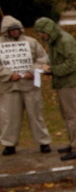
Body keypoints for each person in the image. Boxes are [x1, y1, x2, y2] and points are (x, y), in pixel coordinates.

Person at [34, 17, 76, 160]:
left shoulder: (65, 41)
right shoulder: (54, 42)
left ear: (48, 30)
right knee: (66, 115)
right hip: (62, 83)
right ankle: (73, 143)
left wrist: (52, 69)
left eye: (42, 33)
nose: (41, 36)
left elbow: (72, 64)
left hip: (69, 83)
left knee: (72, 116)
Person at [0, 15, 52, 155]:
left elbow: (43, 58)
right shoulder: (0, 44)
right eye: (11, 30)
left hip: (30, 86)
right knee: (9, 118)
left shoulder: (31, 42)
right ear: (6, 31)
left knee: (36, 115)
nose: (15, 32)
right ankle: (9, 144)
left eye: (16, 29)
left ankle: (43, 142)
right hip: (10, 87)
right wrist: (9, 75)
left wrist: (32, 71)